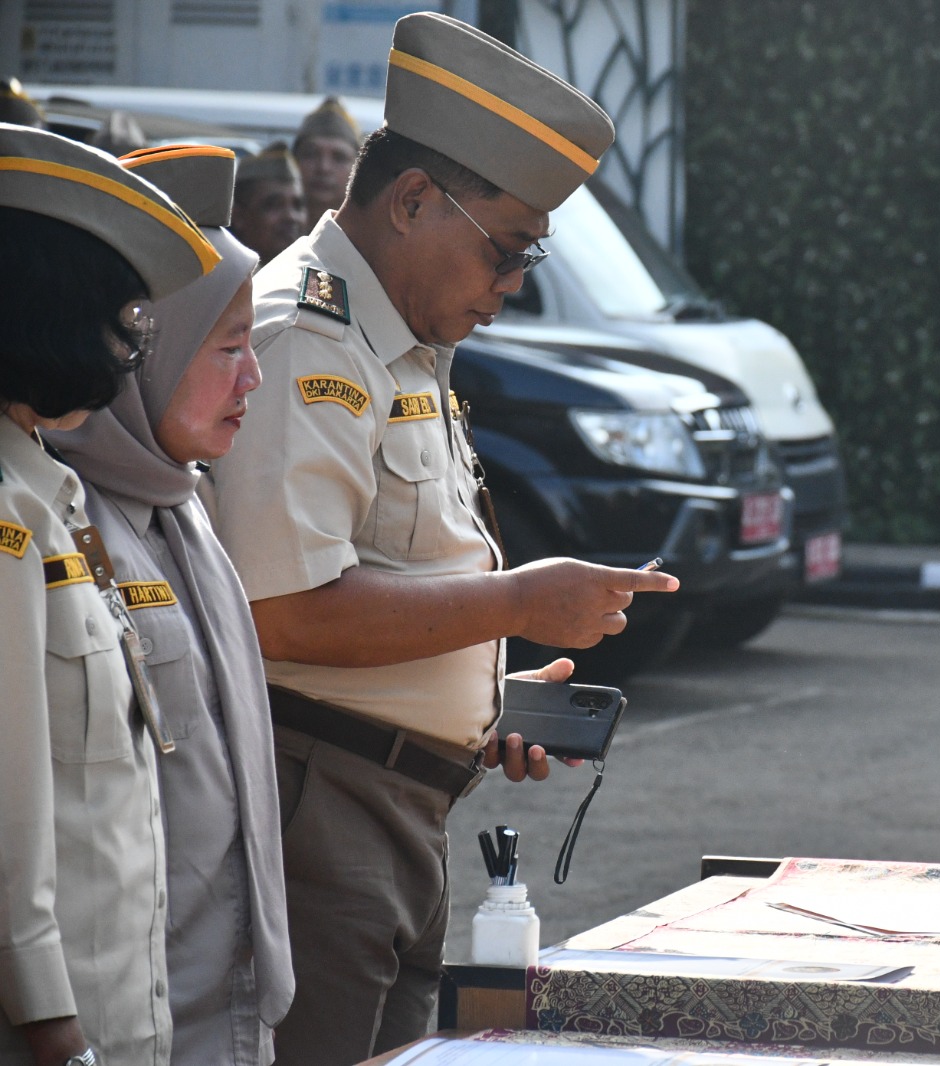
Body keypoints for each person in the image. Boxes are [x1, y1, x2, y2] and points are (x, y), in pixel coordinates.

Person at [201, 13, 678, 1065]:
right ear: (413, 201)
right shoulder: (307, 338)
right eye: (504, 251)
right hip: (323, 805)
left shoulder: (399, 339)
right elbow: (279, 611)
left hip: (393, 805)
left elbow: (386, 573)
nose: (512, 285)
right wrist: (516, 603)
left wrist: (483, 698)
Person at [47, 143, 292, 1066]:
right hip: (125, 1026)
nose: (253, 376)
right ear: (144, 354)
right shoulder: (56, 524)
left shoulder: (181, 504)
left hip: (230, 1015)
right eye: (228, 347)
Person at [0, 123, 219, 1066]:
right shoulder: (9, 514)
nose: (128, 350)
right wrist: (51, 1022)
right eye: (117, 319)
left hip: (119, 1016)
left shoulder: (46, 489)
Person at [228, 143, 305, 266]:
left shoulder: (312, 273)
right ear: (238, 216)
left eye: (297, 206)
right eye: (274, 205)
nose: (290, 217)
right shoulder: (221, 275)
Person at [291, 95, 359, 231]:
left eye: (339, 158)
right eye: (311, 154)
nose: (323, 168)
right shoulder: (269, 234)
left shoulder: (370, 238)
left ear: (357, 168)